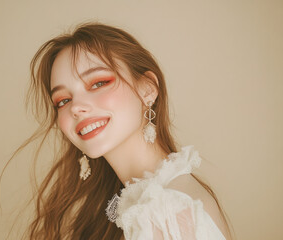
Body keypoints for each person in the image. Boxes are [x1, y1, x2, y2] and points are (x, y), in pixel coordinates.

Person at [17, 22, 232, 239]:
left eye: (98, 83)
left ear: (148, 88)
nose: (76, 107)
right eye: (63, 100)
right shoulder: (139, 204)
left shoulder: (166, 211)